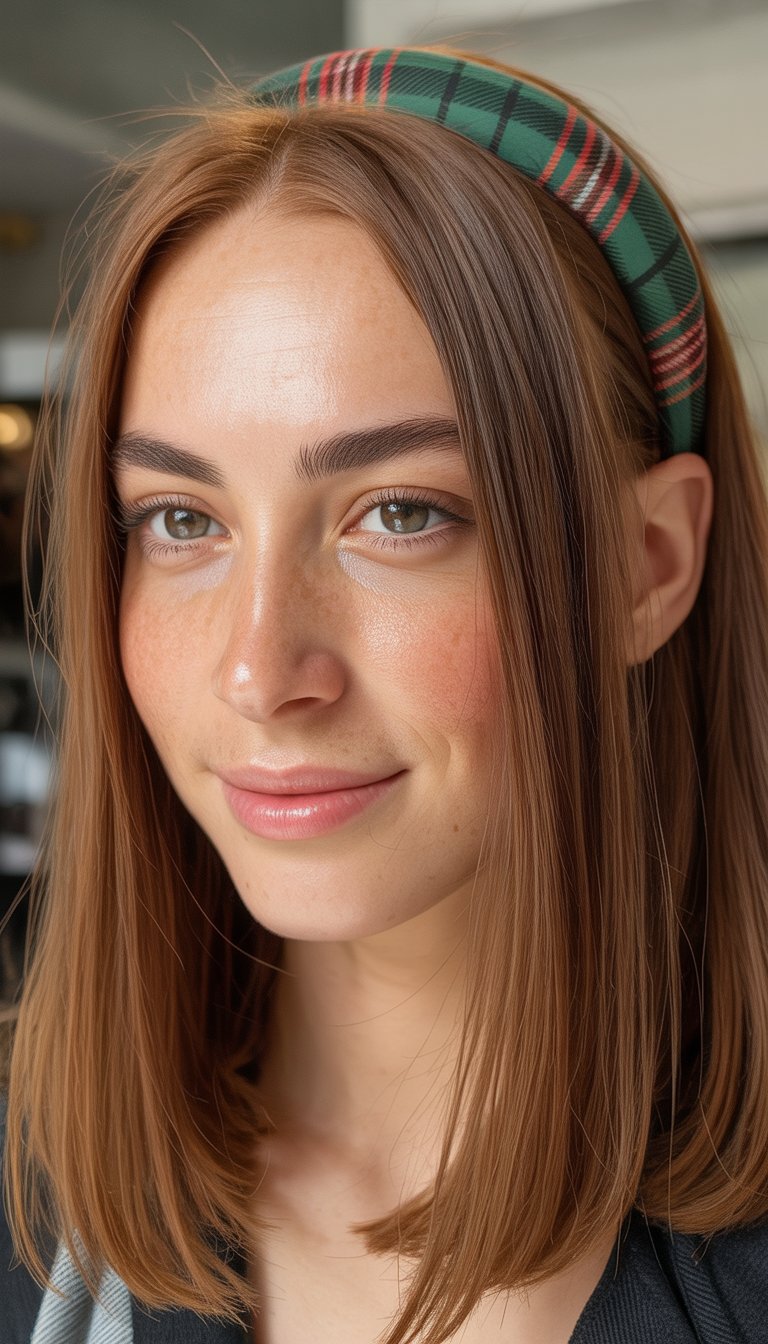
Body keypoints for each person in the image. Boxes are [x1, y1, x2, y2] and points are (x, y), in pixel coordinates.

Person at [2, 41, 768, 1344]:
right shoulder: (34, 1207)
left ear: (651, 564)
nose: (258, 670)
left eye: (399, 514)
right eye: (183, 521)